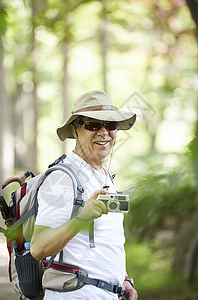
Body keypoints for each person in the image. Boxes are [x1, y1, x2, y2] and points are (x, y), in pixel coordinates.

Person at [31, 90, 138, 300]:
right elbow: (38, 247)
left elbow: (106, 241)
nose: (104, 132)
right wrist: (82, 218)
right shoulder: (62, 178)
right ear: (75, 128)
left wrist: (122, 279)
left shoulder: (106, 177)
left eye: (110, 125)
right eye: (93, 125)